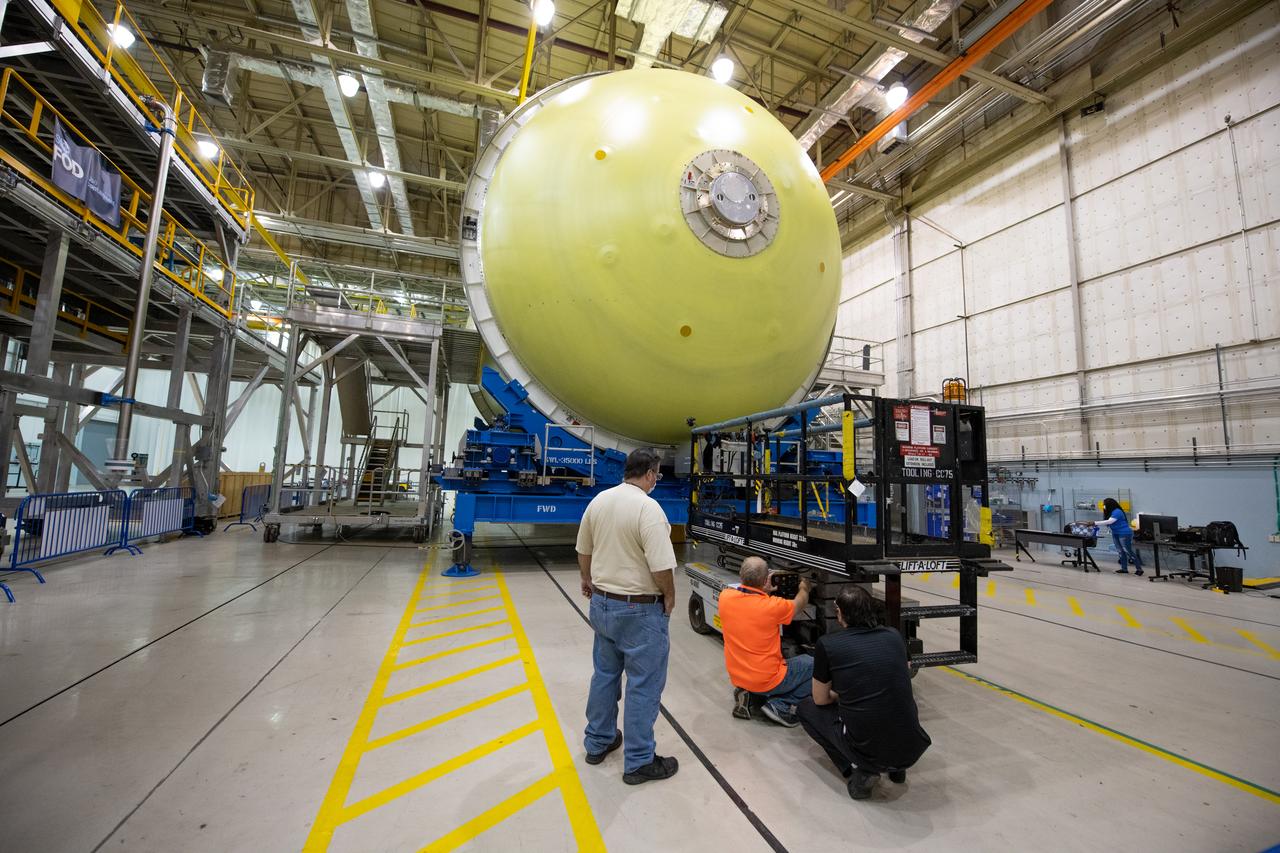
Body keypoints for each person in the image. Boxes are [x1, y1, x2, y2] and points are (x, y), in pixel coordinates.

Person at [576, 448, 679, 785]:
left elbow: (583, 550)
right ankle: (638, 761)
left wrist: (588, 580)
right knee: (643, 684)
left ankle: (598, 741)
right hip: (639, 610)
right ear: (650, 473)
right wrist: (670, 596)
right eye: (657, 476)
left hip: (603, 605)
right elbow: (661, 566)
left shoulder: (599, 501)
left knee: (604, 675)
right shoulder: (648, 509)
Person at [797, 585, 931, 801]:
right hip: (913, 745)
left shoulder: (829, 644)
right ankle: (896, 768)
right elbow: (902, 675)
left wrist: (843, 694)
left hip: (869, 748)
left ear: (839, 612)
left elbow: (820, 699)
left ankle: (860, 771)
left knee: (807, 708)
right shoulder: (894, 636)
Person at [718, 556, 813, 726]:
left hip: (738, 676)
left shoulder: (725, 597)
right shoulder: (773, 607)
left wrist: (764, 590)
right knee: (814, 664)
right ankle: (782, 705)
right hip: (767, 679)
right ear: (766, 579)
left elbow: (751, 604)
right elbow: (800, 603)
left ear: (741, 575)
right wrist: (804, 586)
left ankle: (749, 693)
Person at [1097, 497, 1143, 576]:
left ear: (1109, 505)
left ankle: (1139, 569)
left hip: (1124, 533)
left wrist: (1094, 523)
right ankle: (1124, 569)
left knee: (1128, 551)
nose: (1104, 506)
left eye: (1104, 505)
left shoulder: (1117, 511)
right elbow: (1109, 523)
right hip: (1115, 533)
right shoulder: (1110, 512)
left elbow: (1110, 521)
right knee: (1120, 551)